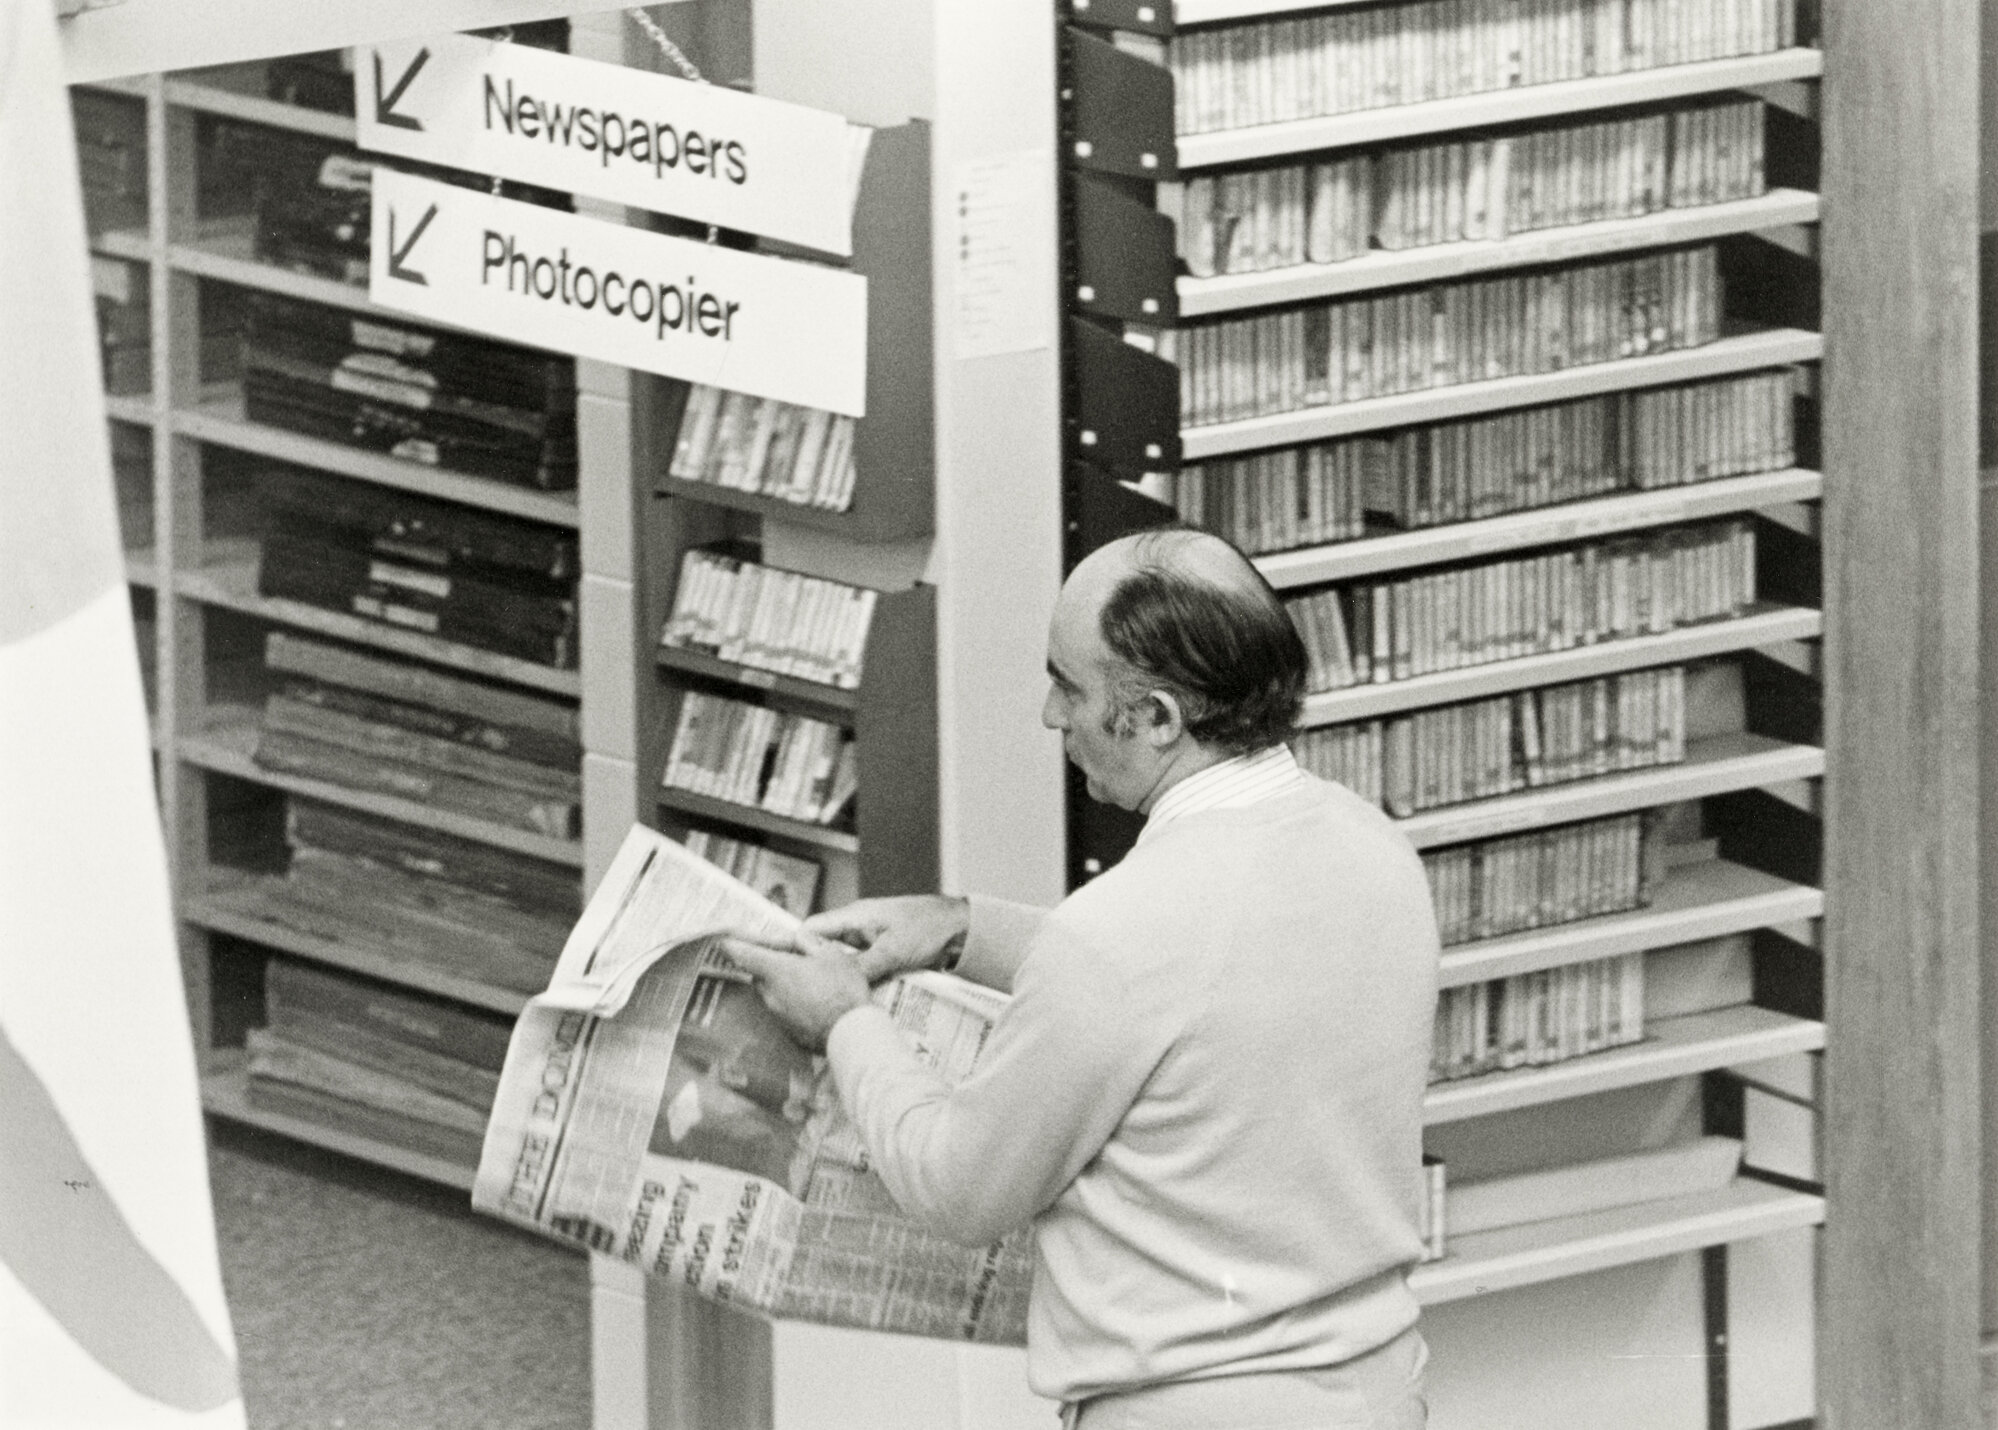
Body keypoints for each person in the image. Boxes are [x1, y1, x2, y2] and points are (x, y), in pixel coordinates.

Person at [725, 528, 1441, 1429]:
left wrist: (844, 1022)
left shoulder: (1123, 933)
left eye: (1070, 685)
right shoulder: (1373, 848)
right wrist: (962, 929)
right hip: (1378, 1390)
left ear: (1156, 719)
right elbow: (1206, 992)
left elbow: (959, 1188)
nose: (1049, 715)